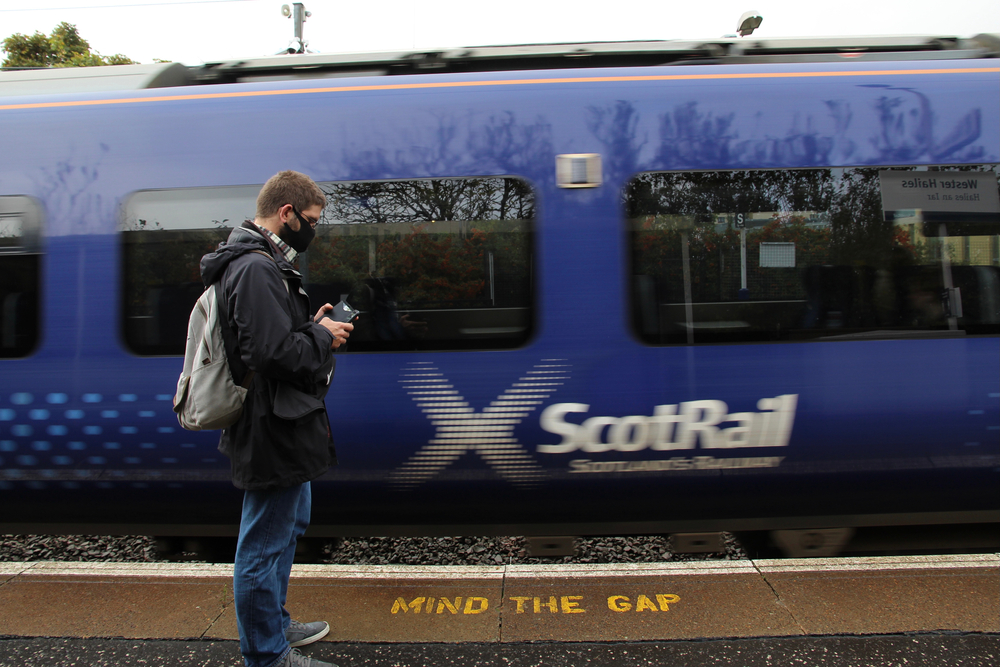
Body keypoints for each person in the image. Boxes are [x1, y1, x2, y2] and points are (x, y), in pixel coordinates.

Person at [200, 170, 353, 667]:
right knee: (263, 543)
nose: (313, 230)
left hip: (283, 418)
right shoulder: (256, 268)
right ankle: (266, 654)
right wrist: (322, 336)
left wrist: (309, 327)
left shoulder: (261, 265)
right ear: (285, 214)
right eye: (310, 220)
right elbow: (271, 354)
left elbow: (269, 341)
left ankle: (275, 624)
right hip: (271, 424)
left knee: (286, 527)